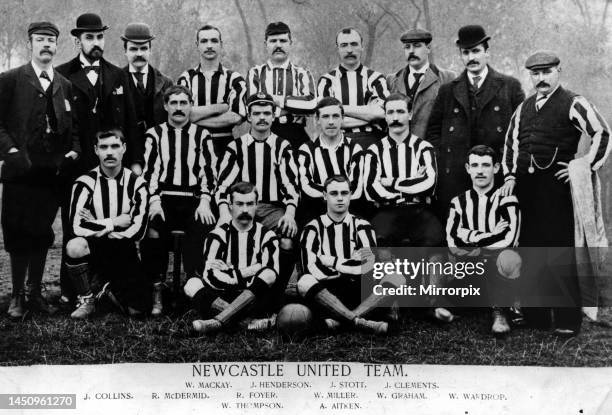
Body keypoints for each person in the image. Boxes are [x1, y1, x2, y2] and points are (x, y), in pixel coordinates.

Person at [501, 51, 611, 336]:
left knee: (561, 253)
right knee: (532, 250)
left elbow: (603, 133)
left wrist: (585, 164)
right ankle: (536, 317)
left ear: (558, 71)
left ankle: (566, 319)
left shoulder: (574, 102)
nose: (541, 78)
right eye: (535, 74)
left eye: (546, 72)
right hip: (528, 190)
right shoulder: (523, 108)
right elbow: (512, 145)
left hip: (558, 189)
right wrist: (511, 176)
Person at [56, 13, 140, 307]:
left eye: (99, 37)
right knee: (76, 225)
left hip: (112, 167)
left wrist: (135, 164)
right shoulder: (62, 74)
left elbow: (130, 121)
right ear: (77, 40)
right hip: (78, 167)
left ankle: (112, 285)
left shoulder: (118, 75)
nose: (95, 43)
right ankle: (74, 291)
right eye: (89, 38)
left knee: (115, 226)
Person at [0, 22, 79, 318]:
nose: (46, 45)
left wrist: (73, 150)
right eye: (40, 40)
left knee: (41, 232)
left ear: (57, 46)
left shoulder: (64, 84)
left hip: (50, 175)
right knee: (18, 231)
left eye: (50, 40)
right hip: (20, 172)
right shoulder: (10, 79)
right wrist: (9, 150)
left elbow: (73, 127)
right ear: (30, 44)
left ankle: (35, 293)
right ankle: (17, 296)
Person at [426, 25, 524, 218]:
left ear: (487, 52)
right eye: (466, 52)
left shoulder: (510, 87)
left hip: (497, 178)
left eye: (476, 51)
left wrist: (511, 173)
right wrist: (445, 165)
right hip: (455, 178)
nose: (471, 58)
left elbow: (523, 131)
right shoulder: (447, 91)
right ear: (461, 55)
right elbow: (433, 134)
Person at [216, 92, 300, 306]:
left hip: (272, 209)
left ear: (274, 116)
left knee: (287, 238)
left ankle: (274, 297)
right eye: (256, 113)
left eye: (266, 113)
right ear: (249, 116)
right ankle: (236, 292)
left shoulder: (283, 146)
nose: (262, 117)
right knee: (232, 237)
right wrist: (225, 213)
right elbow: (223, 186)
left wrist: (290, 213)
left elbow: (291, 184)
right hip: (242, 207)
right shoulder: (235, 147)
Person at [141, 85, 217, 316]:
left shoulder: (202, 135)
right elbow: (149, 173)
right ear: (165, 106)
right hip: (164, 198)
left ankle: (193, 289)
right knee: (152, 231)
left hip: (193, 198)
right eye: (173, 103)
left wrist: (205, 201)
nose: (178, 108)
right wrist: (153, 201)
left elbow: (210, 173)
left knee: (204, 227)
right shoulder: (154, 134)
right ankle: (157, 289)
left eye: (183, 103)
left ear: (190, 105)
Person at [298, 175, 402, 335]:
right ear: (324, 195)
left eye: (344, 193)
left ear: (350, 195)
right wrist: (350, 264)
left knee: (396, 277)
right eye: (333, 193)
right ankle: (361, 322)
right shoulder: (312, 228)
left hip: (356, 289)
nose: (340, 198)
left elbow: (368, 265)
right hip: (328, 293)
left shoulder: (363, 226)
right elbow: (310, 268)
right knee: (305, 281)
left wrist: (330, 260)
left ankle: (337, 322)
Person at [64, 129, 148, 319]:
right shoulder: (84, 182)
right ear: (96, 150)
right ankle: (87, 299)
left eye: (115, 146)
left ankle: (107, 288)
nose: (109, 152)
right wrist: (113, 222)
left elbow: (138, 227)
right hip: (94, 249)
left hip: (124, 248)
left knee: (137, 312)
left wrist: (96, 224)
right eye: (104, 147)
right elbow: (76, 227)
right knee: (75, 245)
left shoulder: (137, 183)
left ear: (124, 148)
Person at [184, 181, 279, 334]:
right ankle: (246, 323)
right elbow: (210, 277)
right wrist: (249, 271)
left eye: (250, 204)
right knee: (192, 283)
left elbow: (270, 274)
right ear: (230, 205)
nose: (245, 210)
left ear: (257, 205)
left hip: (254, 298)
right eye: (239, 204)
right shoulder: (216, 235)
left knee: (268, 273)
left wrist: (229, 272)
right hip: (222, 295)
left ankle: (216, 322)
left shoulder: (268, 235)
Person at [446, 145, 521, 335]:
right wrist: (485, 238)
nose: (480, 171)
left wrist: (469, 236)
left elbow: (508, 239)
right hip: (471, 266)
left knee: (508, 257)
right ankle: (452, 305)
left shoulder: (508, 200)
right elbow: (453, 241)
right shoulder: (458, 202)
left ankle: (500, 312)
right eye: (475, 165)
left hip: (495, 266)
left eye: (486, 165)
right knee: (439, 261)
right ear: (467, 168)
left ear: (496, 168)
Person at [364, 93, 443, 248]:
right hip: (387, 211)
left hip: (419, 211)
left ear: (410, 114)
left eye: (400, 112)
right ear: (385, 116)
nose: (395, 118)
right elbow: (371, 189)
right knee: (376, 243)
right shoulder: (374, 150)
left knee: (434, 242)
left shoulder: (424, 148)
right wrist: (409, 187)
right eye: (390, 112)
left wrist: (390, 182)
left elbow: (428, 184)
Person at [177, 25, 246, 158]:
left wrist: (194, 117)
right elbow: (181, 115)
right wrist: (220, 108)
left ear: (221, 44)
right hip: (193, 145)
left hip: (224, 146)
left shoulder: (234, 79)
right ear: (197, 45)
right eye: (204, 41)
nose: (209, 45)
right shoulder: (186, 78)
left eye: (214, 41)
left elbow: (236, 117)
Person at [246, 22, 317, 150]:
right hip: (263, 133)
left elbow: (311, 105)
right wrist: (295, 106)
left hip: (296, 133)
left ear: (290, 43)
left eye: (283, 41)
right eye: (273, 41)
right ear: (265, 44)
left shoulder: (302, 73)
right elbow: (252, 107)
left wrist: (277, 101)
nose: (278, 45)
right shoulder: (255, 73)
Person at [317, 27, 390, 150]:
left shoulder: (376, 78)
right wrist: (369, 116)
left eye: (354, 44)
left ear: (362, 47)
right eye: (344, 45)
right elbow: (327, 120)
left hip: (373, 140)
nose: (349, 50)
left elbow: (382, 113)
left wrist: (339, 109)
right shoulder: (327, 81)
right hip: (338, 142)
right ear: (338, 49)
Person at [297, 97, 364, 223]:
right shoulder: (306, 149)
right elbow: (306, 186)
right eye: (326, 116)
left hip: (350, 210)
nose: (331, 122)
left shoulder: (354, 148)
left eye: (336, 116)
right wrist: (337, 196)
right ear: (317, 120)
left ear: (342, 118)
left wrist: (333, 196)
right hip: (317, 209)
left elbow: (356, 187)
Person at [386, 28, 456, 139]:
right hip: (398, 148)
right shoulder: (391, 80)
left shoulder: (447, 78)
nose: (411, 51)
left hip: (431, 147)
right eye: (407, 47)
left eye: (417, 46)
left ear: (428, 48)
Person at [121, 22, 173, 138]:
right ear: (125, 51)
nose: (139, 54)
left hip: (158, 146)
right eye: (133, 49)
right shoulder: (114, 81)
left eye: (144, 48)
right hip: (127, 149)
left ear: (150, 50)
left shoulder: (166, 83)